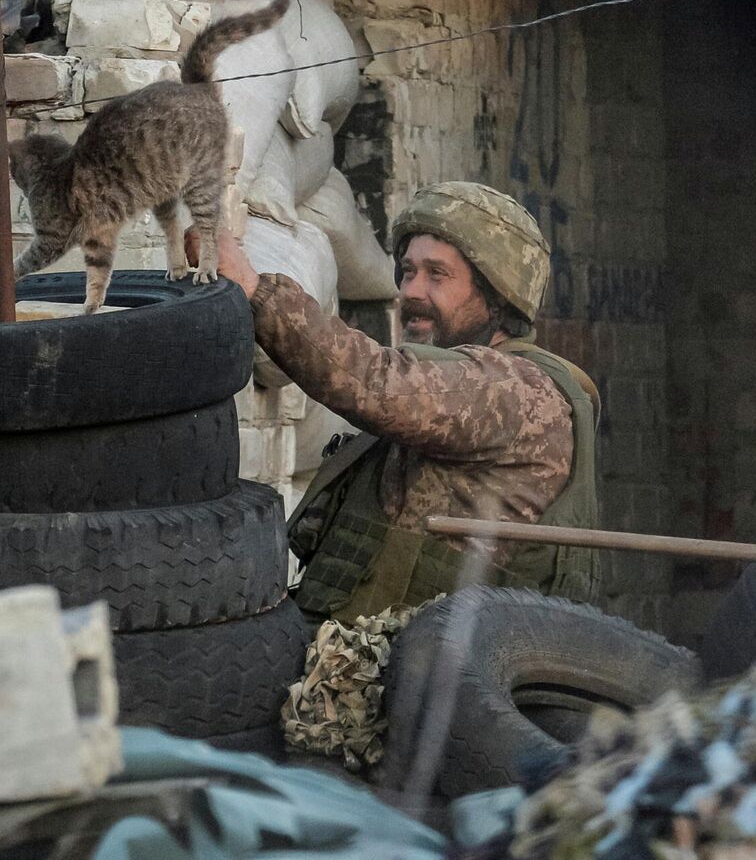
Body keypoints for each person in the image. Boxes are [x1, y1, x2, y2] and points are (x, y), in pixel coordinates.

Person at [213, 181, 602, 622]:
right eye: (408, 271)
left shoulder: (514, 388)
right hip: (371, 650)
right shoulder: (468, 377)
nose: (412, 292)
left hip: (427, 674)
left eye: (437, 274)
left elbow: (380, 383)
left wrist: (254, 289)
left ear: (496, 297)